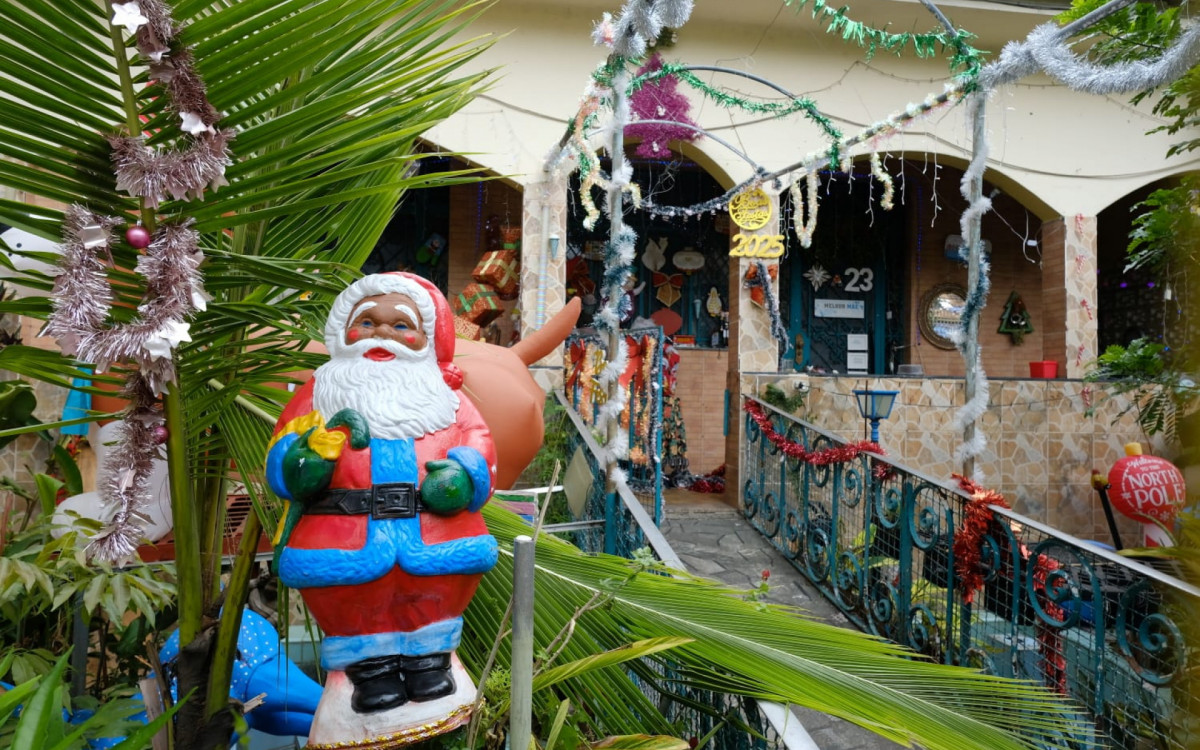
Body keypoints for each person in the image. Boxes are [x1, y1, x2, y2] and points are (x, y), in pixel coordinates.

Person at [265, 272, 497, 728]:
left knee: (429, 601)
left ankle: (430, 662)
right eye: (366, 322)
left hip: (435, 537)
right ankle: (368, 673)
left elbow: (480, 442)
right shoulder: (320, 395)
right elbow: (281, 460)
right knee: (355, 607)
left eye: (401, 325)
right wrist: (305, 459)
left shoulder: (445, 398)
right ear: (342, 332)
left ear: (425, 338)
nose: (382, 334)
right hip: (343, 538)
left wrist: (464, 474)